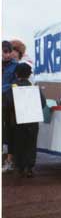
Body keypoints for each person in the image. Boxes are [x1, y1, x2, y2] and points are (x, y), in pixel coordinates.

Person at [4, 63, 46, 177]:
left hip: (17, 121)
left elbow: (7, 104)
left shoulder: (12, 88)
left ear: (16, 74)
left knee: (18, 144)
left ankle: (20, 167)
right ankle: (30, 167)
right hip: (32, 121)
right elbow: (43, 103)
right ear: (29, 75)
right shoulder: (34, 88)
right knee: (31, 144)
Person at [2, 41, 18, 172]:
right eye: (3, 52)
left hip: (8, 101)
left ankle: (9, 161)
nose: (6, 55)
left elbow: (15, 84)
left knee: (9, 130)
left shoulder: (15, 66)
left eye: (8, 52)